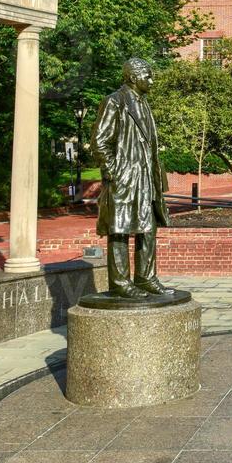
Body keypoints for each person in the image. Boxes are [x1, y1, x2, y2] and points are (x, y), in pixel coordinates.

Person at [92, 58, 171, 299]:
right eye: (148, 76)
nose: (152, 81)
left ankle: (146, 278)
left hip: (146, 177)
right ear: (134, 77)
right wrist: (113, 172)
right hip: (125, 177)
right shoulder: (115, 101)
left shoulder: (143, 103)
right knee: (120, 229)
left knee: (148, 229)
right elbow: (100, 141)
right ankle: (120, 283)